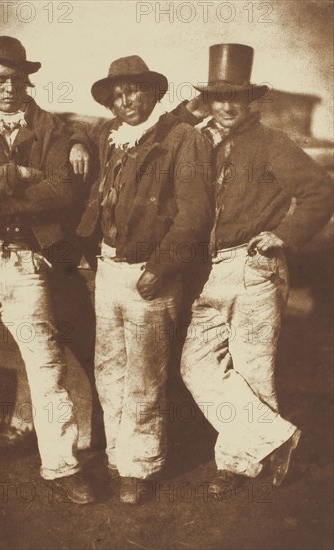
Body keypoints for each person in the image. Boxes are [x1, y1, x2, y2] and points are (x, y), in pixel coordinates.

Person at [0, 36, 94, 504]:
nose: (9, 87)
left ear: (28, 81)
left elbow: (62, 191)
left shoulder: (48, 127)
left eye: (17, 79)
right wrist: (14, 175)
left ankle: (62, 464)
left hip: (25, 259)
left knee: (46, 365)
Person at [174, 43, 333, 494]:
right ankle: (277, 439)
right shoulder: (201, 140)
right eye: (216, 96)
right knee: (197, 365)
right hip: (213, 270)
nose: (225, 105)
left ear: (249, 101)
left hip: (256, 267)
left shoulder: (271, 143)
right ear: (205, 100)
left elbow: (320, 191)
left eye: (235, 97)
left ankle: (236, 465)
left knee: (252, 369)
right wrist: (184, 116)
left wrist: (285, 234)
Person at [69, 55, 213, 503]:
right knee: (109, 371)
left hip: (151, 274)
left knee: (146, 376)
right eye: (117, 93)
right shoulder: (108, 136)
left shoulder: (183, 138)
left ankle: (142, 468)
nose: (126, 100)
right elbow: (74, 129)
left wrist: (161, 266)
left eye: (135, 90)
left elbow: (195, 213)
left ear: (152, 93)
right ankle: (118, 455)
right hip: (108, 269)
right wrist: (75, 142)